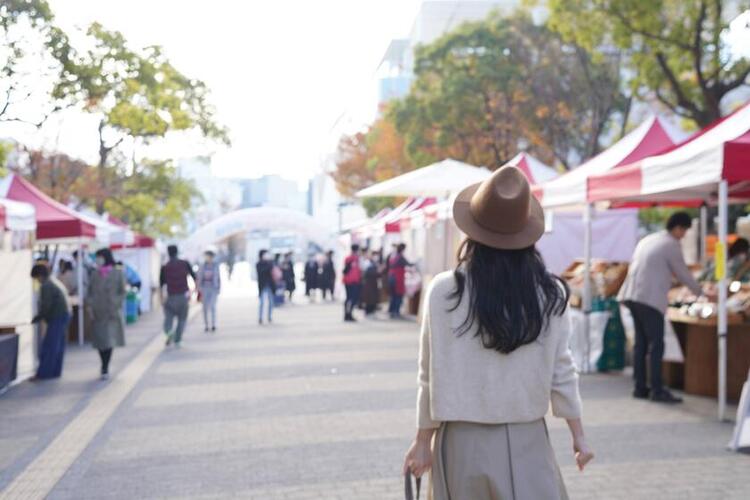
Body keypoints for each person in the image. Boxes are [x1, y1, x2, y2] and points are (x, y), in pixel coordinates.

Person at [403, 166, 593, 499]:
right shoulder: (549, 295)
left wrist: (422, 442)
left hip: (461, 440)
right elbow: (562, 371)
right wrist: (578, 436)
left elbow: (428, 374)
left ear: (471, 232)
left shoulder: (444, 291)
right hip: (528, 438)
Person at [619, 212, 711, 403]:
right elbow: (683, 274)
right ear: (678, 228)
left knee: (641, 344)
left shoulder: (649, 239)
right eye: (684, 230)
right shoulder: (671, 244)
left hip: (632, 295)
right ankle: (658, 390)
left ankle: (640, 387)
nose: (684, 235)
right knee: (656, 344)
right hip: (649, 299)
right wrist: (702, 293)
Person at [87, 248, 126, 380]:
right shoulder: (94, 274)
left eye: (99, 257)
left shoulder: (118, 273)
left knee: (109, 340)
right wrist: (91, 305)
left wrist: (116, 302)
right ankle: (103, 364)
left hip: (111, 312)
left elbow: (122, 291)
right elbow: (90, 292)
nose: (98, 260)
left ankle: (105, 366)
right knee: (100, 341)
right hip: (98, 312)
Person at [30, 264, 71, 380]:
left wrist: (39, 316)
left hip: (57, 316)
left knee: (49, 346)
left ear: (40, 275)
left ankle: (44, 373)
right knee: (58, 345)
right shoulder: (53, 281)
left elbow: (46, 305)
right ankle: (55, 371)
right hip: (64, 314)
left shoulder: (46, 285)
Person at [160, 244, 196, 348]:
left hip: (170, 297)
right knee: (182, 320)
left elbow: (161, 285)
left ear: (168, 253)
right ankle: (177, 339)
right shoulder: (185, 263)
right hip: (183, 297)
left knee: (168, 319)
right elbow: (194, 277)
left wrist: (162, 298)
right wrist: (195, 292)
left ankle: (169, 332)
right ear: (177, 251)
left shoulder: (165, 267)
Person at [197, 248, 221, 332]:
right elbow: (199, 277)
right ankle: (206, 325)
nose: (207, 258)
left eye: (208, 256)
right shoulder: (202, 266)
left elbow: (218, 278)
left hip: (213, 288)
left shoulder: (215, 265)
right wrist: (199, 289)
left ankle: (213, 324)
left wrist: (219, 288)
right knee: (204, 308)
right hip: (204, 288)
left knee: (213, 307)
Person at [387, 243, 411, 318]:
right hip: (397, 279)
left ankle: (391, 311)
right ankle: (396, 312)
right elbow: (409, 264)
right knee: (398, 296)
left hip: (391, 277)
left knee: (393, 295)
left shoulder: (393, 256)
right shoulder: (400, 257)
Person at [342, 244, 362, 322]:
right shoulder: (354, 258)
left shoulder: (349, 258)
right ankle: (348, 314)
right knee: (352, 298)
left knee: (349, 298)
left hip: (348, 280)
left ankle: (347, 314)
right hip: (352, 281)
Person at [256, 249, 275, 324]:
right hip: (262, 286)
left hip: (270, 285)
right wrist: (268, 264)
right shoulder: (259, 264)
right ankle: (260, 317)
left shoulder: (270, 263)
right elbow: (262, 272)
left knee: (271, 302)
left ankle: (269, 317)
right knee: (262, 303)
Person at [362, 250, 381, 316]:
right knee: (369, 298)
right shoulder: (368, 263)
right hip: (369, 283)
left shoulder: (374, 263)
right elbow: (368, 273)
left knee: (373, 298)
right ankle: (368, 311)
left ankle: (371, 310)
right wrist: (378, 272)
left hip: (373, 283)